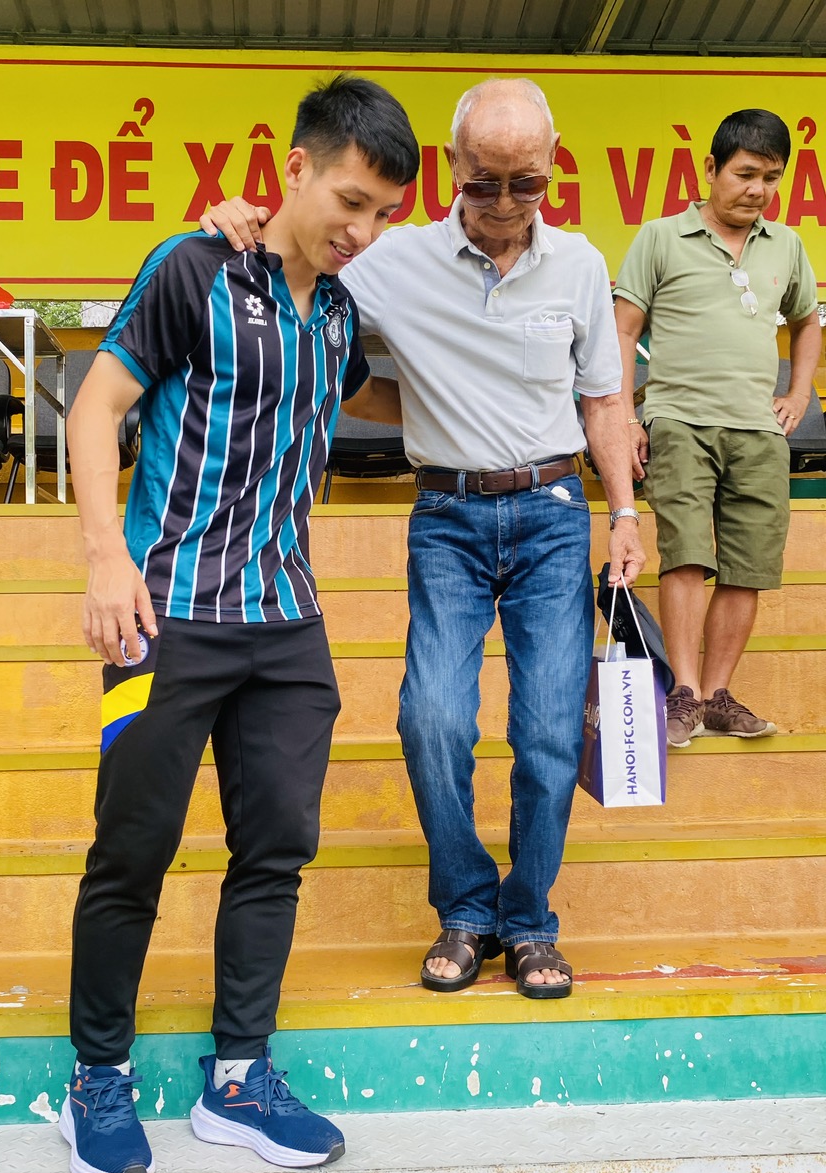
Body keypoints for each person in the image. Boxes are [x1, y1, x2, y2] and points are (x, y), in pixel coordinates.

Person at [201, 77, 645, 1001]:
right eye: (484, 184)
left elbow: (603, 397)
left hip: (554, 515)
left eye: (526, 184)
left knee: (550, 733)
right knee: (431, 718)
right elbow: (300, 254)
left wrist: (626, 513)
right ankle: (466, 909)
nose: (505, 206)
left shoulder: (577, 267)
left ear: (553, 171)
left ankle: (528, 922)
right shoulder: (392, 260)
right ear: (453, 170)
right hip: (445, 515)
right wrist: (238, 214)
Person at [59, 74, 419, 1173]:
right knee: (133, 851)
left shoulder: (345, 318)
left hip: (288, 629)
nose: (359, 230)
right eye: (348, 199)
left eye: (382, 215)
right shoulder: (193, 269)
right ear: (295, 169)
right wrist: (105, 559)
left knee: (274, 854)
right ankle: (97, 1079)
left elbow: (376, 397)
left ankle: (239, 1078)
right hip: (166, 619)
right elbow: (95, 408)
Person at [614, 109, 821, 748]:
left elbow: (808, 320)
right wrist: (625, 415)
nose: (758, 189)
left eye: (772, 177)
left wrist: (799, 392)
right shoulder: (659, 236)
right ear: (710, 169)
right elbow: (623, 330)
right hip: (677, 420)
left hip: (759, 431)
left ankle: (718, 694)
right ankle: (684, 692)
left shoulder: (786, 244)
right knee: (685, 556)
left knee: (749, 566)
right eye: (745, 173)